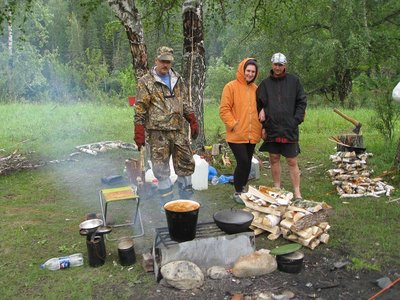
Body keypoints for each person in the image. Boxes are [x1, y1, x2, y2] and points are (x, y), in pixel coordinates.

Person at [134, 46, 199, 208]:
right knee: (161, 169)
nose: (165, 65)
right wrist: (139, 130)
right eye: (163, 61)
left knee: (186, 164)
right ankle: (168, 207)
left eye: (168, 62)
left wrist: (191, 118)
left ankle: (186, 204)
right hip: (158, 133)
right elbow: (140, 108)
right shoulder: (146, 81)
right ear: (156, 60)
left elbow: (183, 102)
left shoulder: (177, 78)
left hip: (178, 131)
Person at [256, 52, 307, 200]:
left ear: (285, 65)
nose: (278, 67)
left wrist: (295, 120)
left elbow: (301, 101)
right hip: (272, 126)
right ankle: (277, 187)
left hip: (289, 127)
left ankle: (297, 192)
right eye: (275, 64)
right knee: (274, 158)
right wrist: (263, 122)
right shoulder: (265, 84)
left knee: (292, 160)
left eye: (280, 65)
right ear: (272, 64)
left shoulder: (294, 81)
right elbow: (259, 103)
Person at [220, 58, 262, 203]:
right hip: (236, 134)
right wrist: (234, 124)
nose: (250, 74)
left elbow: (260, 110)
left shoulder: (256, 89)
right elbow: (224, 109)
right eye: (248, 71)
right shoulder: (230, 87)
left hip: (252, 133)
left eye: (253, 72)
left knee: (248, 162)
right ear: (242, 71)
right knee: (243, 161)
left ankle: (242, 188)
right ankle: (238, 191)